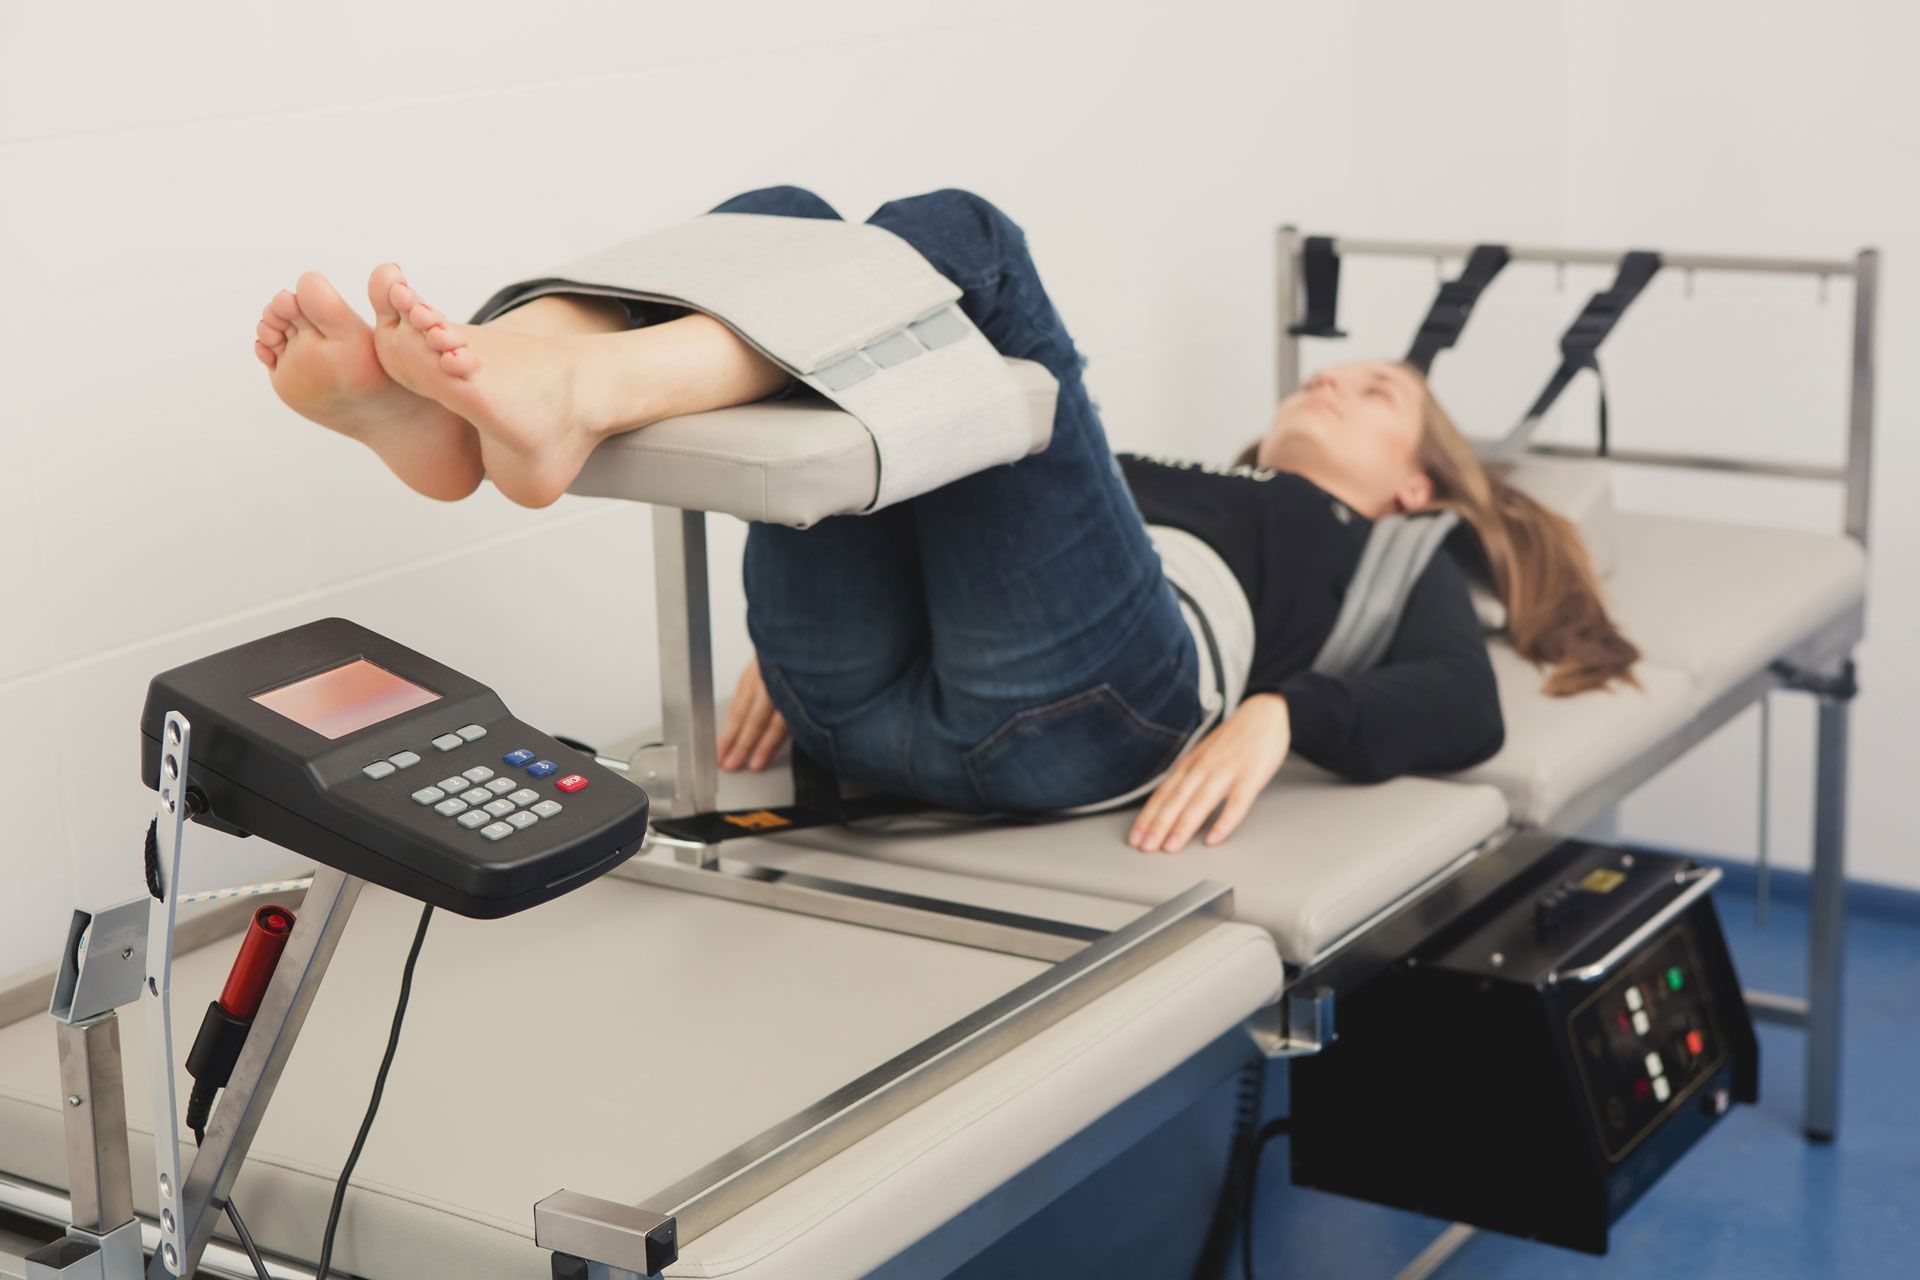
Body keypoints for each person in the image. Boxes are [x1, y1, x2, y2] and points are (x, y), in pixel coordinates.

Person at [253, 187, 1635, 853]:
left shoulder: (1382, 545)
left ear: (1418, 482)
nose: (1334, 379)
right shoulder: (1142, 470)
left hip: (1095, 710)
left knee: (961, 238)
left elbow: (1465, 705)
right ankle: (508, 396)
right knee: (791, 225)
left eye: (1379, 392)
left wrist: (1283, 713)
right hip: (853, 702)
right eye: (1338, 369)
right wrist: (803, 639)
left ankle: (552, 389)